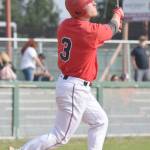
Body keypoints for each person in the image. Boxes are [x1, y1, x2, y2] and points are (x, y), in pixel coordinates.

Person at [21, 1, 124, 150]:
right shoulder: (88, 30)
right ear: (79, 9)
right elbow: (111, 27)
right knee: (60, 137)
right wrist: (118, 14)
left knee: (100, 121)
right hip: (75, 88)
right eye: (89, 2)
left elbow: (95, 36)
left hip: (72, 85)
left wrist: (111, 28)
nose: (94, 3)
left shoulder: (66, 25)